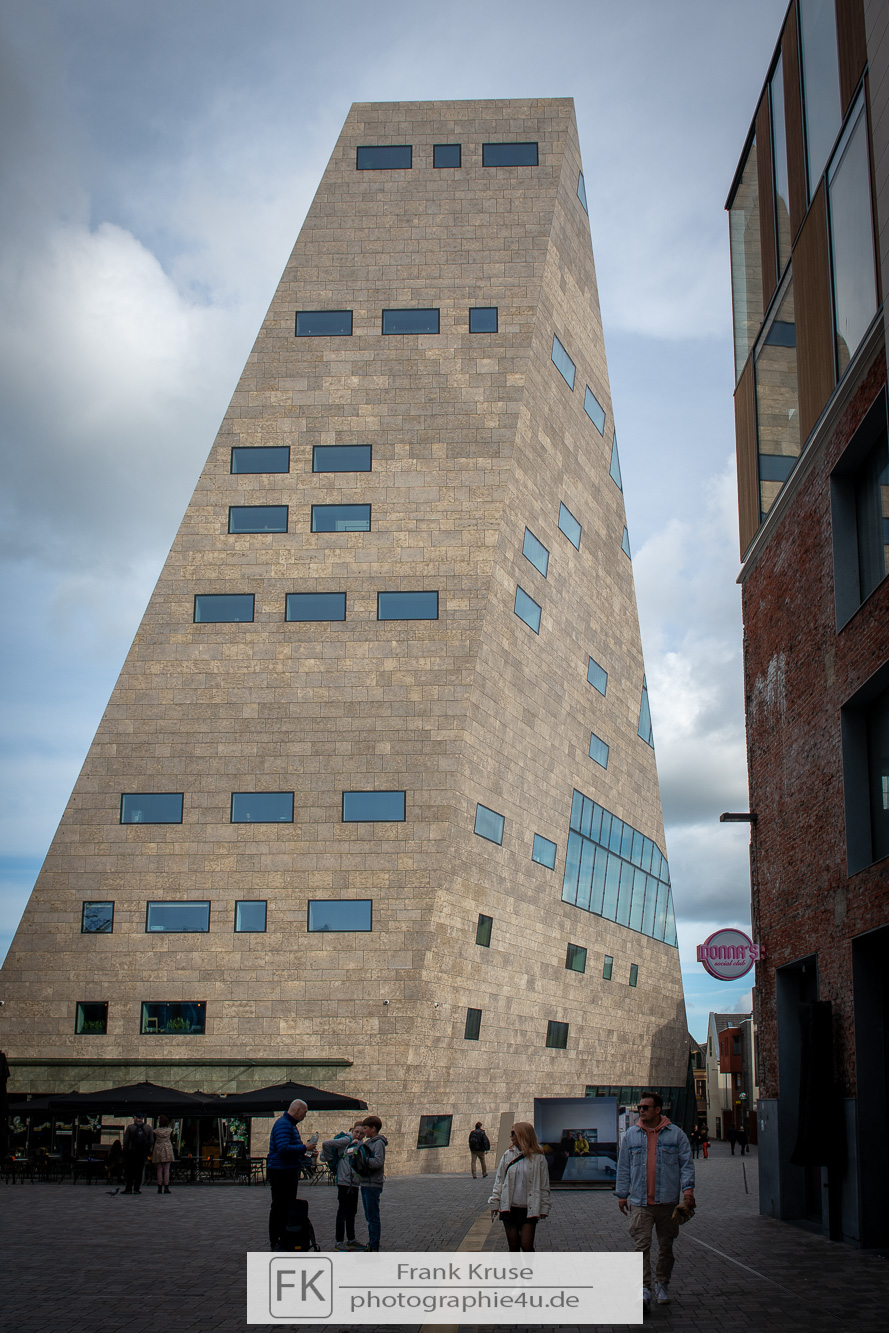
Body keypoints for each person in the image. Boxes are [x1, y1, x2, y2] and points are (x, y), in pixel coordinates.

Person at [615, 1092, 695, 1312]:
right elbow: (623, 1166)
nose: (641, 1110)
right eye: (639, 1107)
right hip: (640, 1202)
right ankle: (644, 1289)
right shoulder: (631, 1135)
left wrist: (688, 1192)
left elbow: (686, 1165)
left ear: (658, 1110)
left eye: (646, 1107)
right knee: (641, 1247)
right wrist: (622, 1194)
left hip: (667, 1202)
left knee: (666, 1247)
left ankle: (662, 1283)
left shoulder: (676, 1134)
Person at [488, 1122, 551, 1253]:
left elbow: (544, 1185)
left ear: (523, 1134)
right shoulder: (508, 1155)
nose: (510, 1136)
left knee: (526, 1246)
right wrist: (494, 1203)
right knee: (513, 1246)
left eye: (513, 1133)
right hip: (510, 1207)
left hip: (529, 1208)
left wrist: (544, 1207)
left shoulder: (539, 1158)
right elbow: (499, 1180)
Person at [266, 1099, 308, 1249]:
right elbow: (283, 1148)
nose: (305, 1116)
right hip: (282, 1171)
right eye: (304, 1112)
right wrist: (304, 1148)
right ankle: (277, 1240)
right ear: (297, 1110)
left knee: (286, 1206)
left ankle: (284, 1238)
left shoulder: (289, 1124)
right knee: (280, 1207)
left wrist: (304, 1152)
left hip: (287, 1170)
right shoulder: (284, 1124)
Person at [322, 1124, 366, 1251]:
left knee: (352, 1212)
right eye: (356, 1132)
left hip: (354, 1182)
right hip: (344, 1181)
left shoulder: (360, 1143)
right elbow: (326, 1144)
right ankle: (339, 1241)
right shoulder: (347, 1140)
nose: (358, 1135)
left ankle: (351, 1240)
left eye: (361, 1133)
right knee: (342, 1212)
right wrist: (331, 1160)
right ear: (352, 1130)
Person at [348, 1115, 387, 1252]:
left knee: (373, 1217)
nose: (363, 1131)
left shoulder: (378, 1143)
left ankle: (374, 1245)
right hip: (365, 1183)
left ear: (373, 1128)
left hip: (373, 1184)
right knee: (369, 1216)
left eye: (365, 1128)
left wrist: (362, 1160)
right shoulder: (368, 1142)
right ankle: (372, 1242)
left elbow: (378, 1162)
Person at [122, 1114, 154, 1195]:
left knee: (130, 1170)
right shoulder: (148, 1128)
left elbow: (125, 1141)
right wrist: (147, 1149)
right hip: (142, 1152)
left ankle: (128, 1188)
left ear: (135, 1118)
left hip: (132, 1152)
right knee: (139, 1170)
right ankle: (137, 1188)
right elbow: (151, 1140)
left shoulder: (130, 1127)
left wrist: (125, 1150)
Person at [153, 1114, 175, 1194]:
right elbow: (172, 1140)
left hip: (158, 1149)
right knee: (166, 1169)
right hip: (167, 1149)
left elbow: (153, 1141)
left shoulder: (156, 1131)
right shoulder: (170, 1131)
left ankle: (159, 1187)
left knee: (159, 1169)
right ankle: (166, 1187)